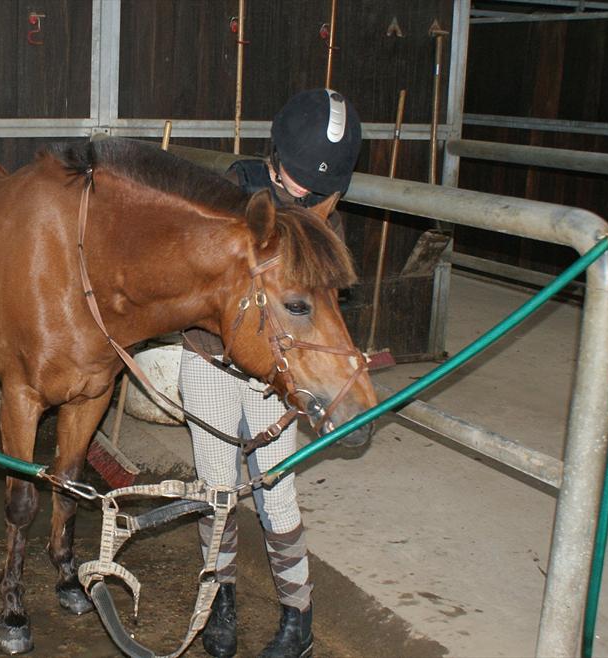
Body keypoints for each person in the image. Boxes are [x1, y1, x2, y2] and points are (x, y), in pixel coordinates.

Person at [179, 89, 363, 658]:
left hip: (274, 375)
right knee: (216, 487)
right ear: (273, 154)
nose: (306, 195)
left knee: (276, 492)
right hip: (212, 356)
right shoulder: (231, 195)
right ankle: (220, 598)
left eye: (321, 189)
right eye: (298, 180)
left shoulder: (319, 213)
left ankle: (297, 615)